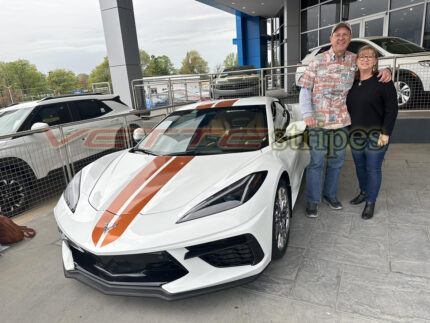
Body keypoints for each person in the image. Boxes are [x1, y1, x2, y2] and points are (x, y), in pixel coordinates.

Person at [298, 21, 391, 218]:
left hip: (342, 122)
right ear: (331, 39)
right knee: (316, 162)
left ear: (350, 39)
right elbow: (305, 89)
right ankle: (313, 201)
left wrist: (387, 70)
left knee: (337, 161)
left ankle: (330, 195)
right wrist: (307, 114)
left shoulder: (354, 60)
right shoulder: (317, 61)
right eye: (337, 34)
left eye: (345, 35)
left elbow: (370, 67)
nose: (341, 38)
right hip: (319, 121)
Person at [347, 45, 398, 219]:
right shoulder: (352, 83)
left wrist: (386, 133)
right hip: (355, 135)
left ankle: (371, 202)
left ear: (376, 61)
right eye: (362, 56)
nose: (365, 59)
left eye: (370, 56)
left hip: (378, 134)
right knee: (360, 167)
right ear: (356, 60)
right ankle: (363, 192)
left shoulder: (383, 81)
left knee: (373, 168)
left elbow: (392, 109)